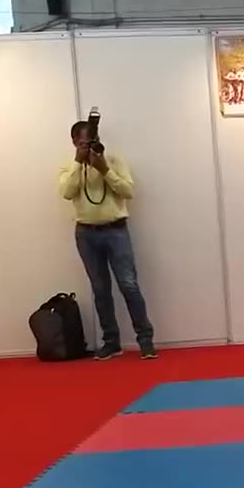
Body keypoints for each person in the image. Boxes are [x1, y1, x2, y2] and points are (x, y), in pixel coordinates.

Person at [57, 120, 157, 360]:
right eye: (82, 142)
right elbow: (67, 192)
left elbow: (128, 191)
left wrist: (104, 170)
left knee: (129, 285)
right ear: (74, 143)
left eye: (92, 140)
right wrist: (79, 162)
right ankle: (111, 342)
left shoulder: (114, 161)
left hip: (116, 230)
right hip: (86, 234)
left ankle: (145, 341)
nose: (88, 145)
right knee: (100, 289)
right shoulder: (68, 167)